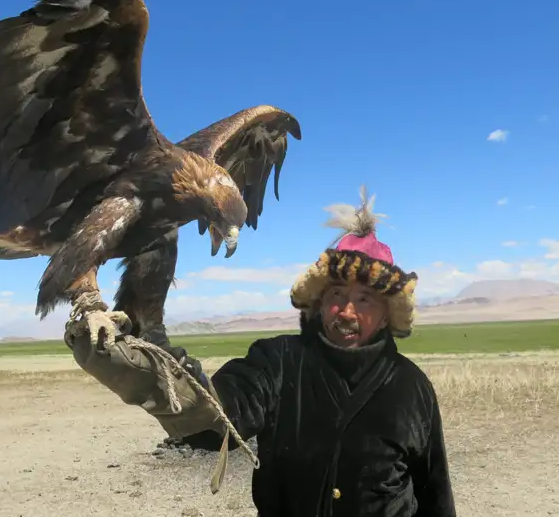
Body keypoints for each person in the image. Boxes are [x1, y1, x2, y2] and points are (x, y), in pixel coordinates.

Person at [173, 188, 457, 516]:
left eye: (365, 299)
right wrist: (186, 391)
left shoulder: (411, 386)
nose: (347, 312)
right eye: (337, 293)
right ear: (319, 302)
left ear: (385, 316)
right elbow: (225, 409)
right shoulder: (277, 361)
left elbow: (434, 492)